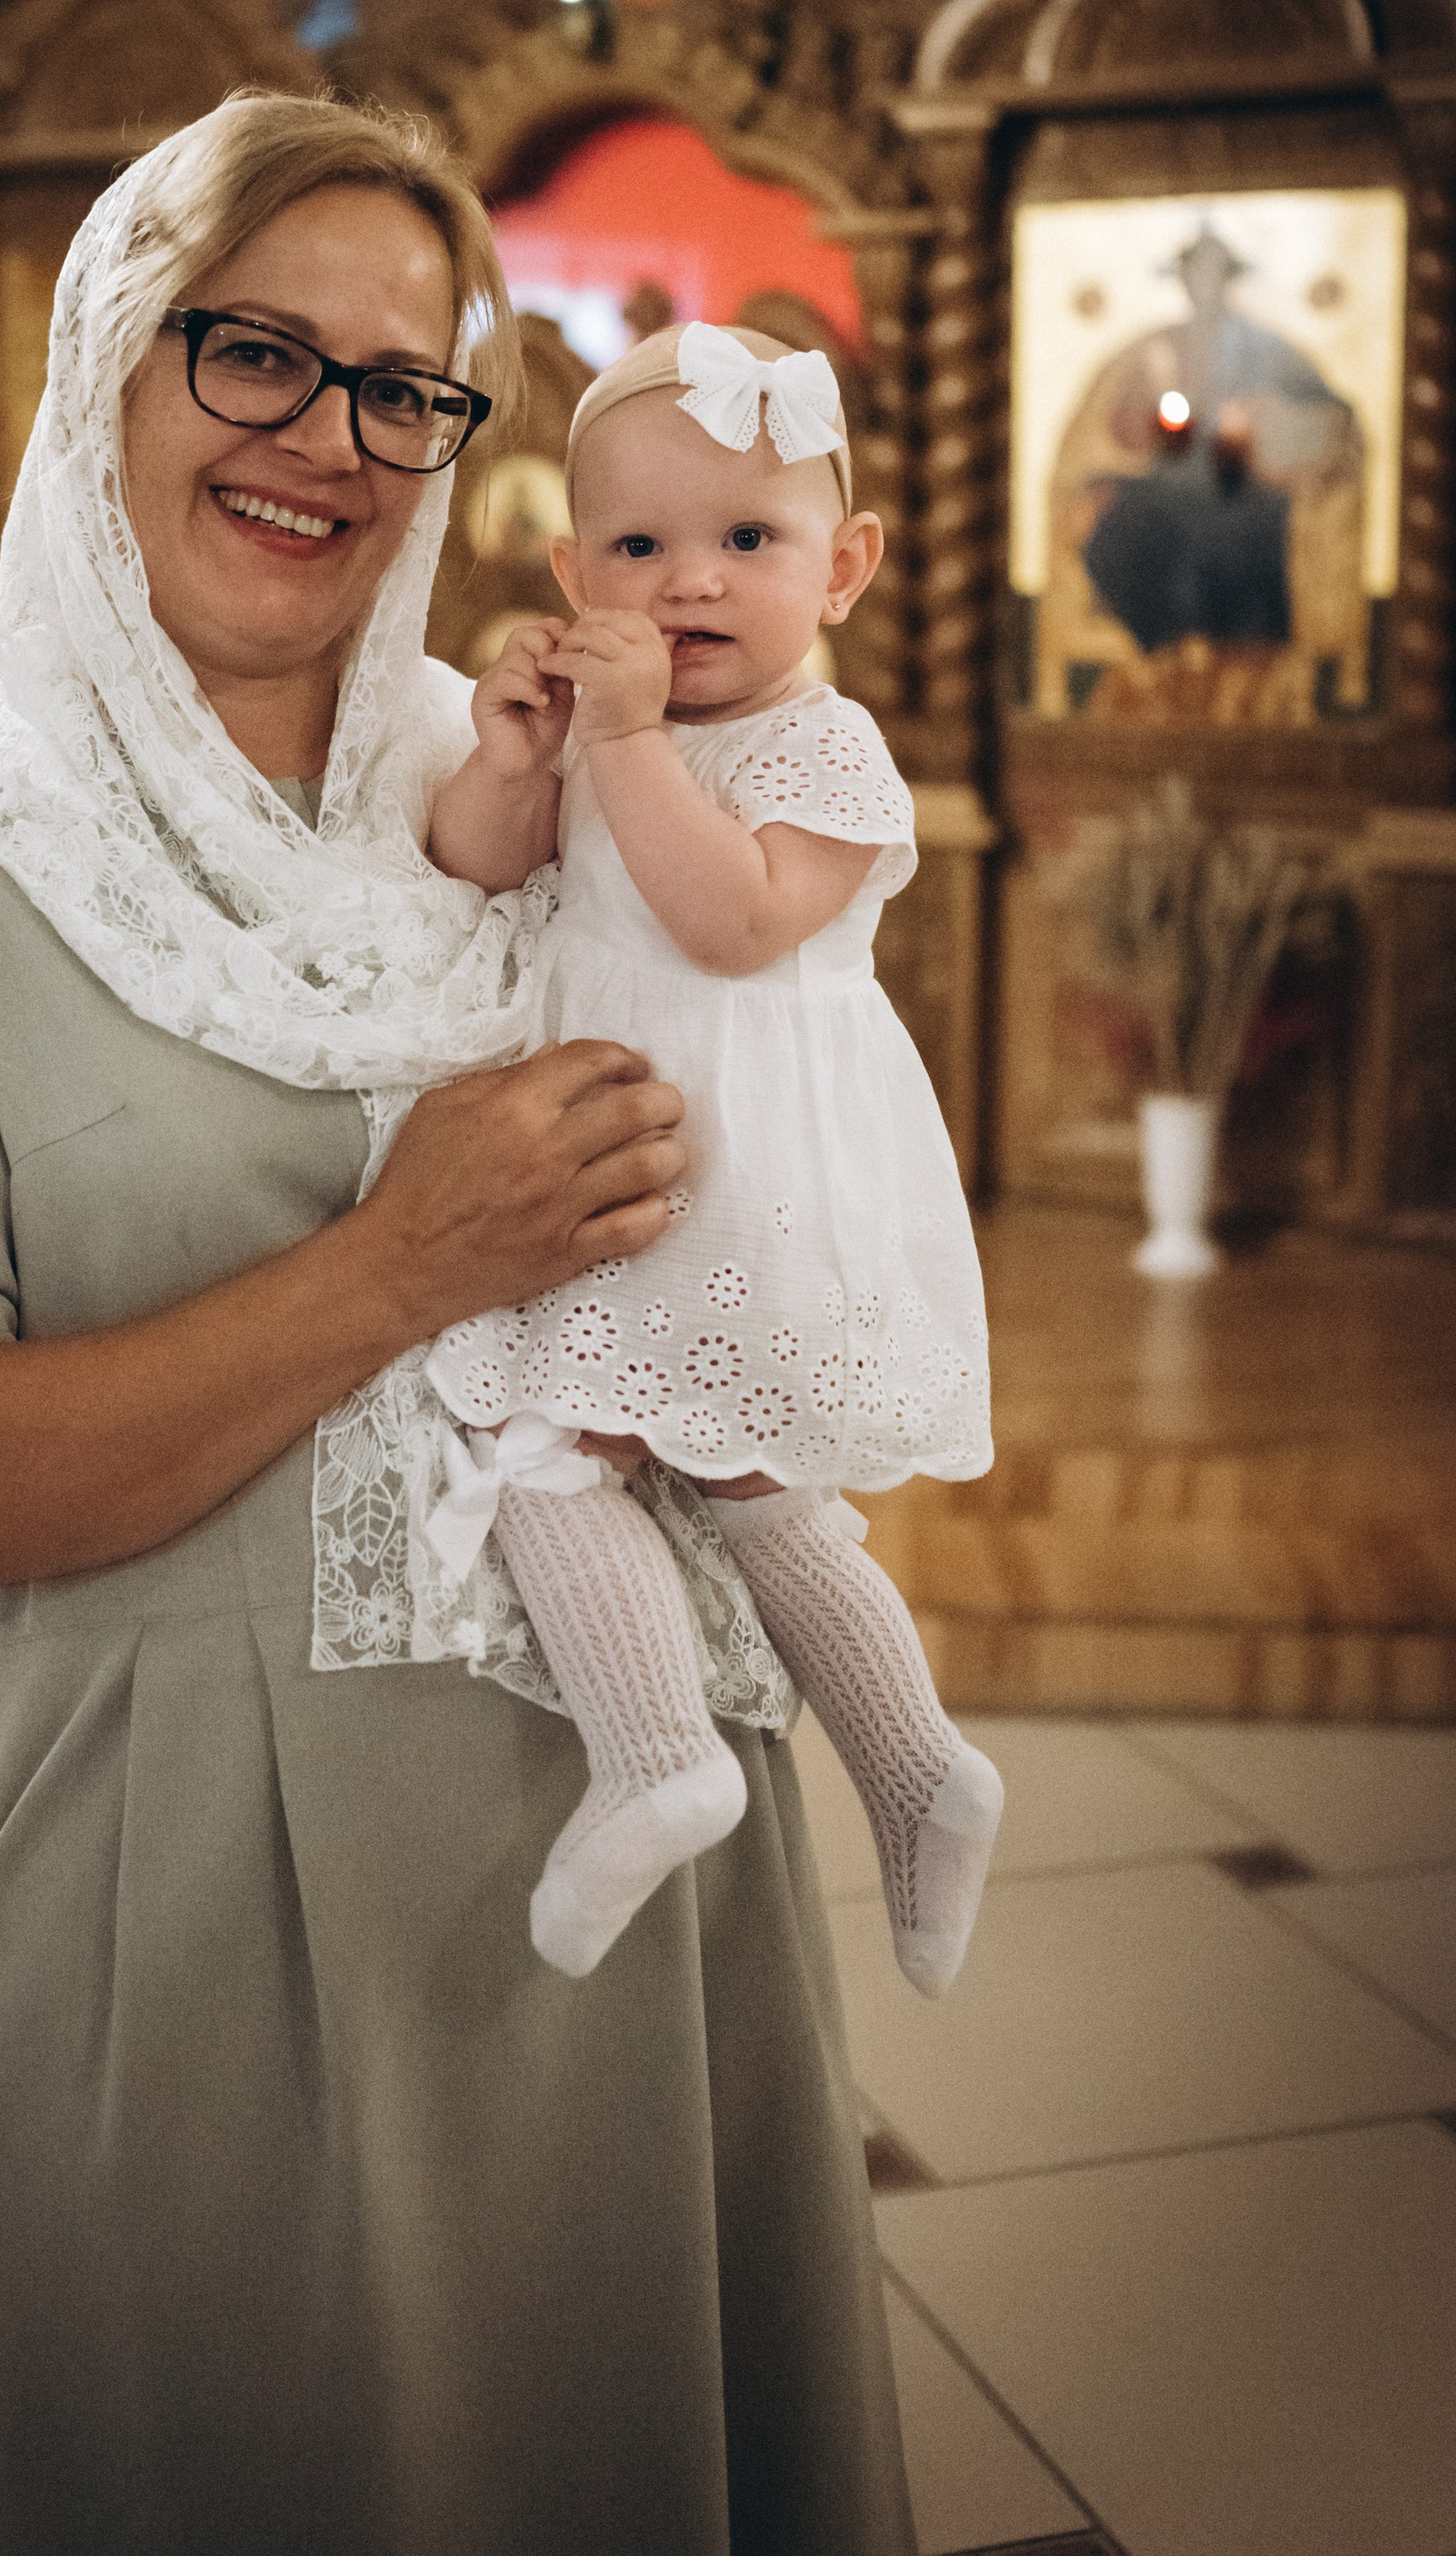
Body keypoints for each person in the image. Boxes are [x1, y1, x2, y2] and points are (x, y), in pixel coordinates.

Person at [0, 93, 917, 2556]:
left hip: (634, 1879)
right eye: (258, 354)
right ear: (109, 361)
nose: (332, 442)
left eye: (409, 389)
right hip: (201, 1936)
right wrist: (405, 1259)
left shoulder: (554, 781)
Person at [426, 323, 999, 1992]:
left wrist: (619, 747)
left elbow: (733, 921)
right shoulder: (618, 730)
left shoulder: (827, 750)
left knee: (586, 1439)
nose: (687, 584)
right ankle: (877, 1772)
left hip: (744, 1169)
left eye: (744, 540)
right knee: (646, 1460)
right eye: (637, 547)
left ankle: (707, 1758)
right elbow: (481, 867)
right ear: (566, 564)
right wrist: (512, 757)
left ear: (843, 567)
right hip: (610, 1145)